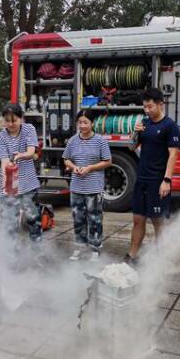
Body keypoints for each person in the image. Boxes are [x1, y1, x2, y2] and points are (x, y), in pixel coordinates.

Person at [126, 88, 180, 265]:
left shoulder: (170, 126)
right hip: (142, 179)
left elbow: (173, 154)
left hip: (158, 181)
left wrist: (167, 180)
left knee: (158, 222)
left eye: (150, 106)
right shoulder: (144, 123)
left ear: (160, 104)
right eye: (144, 107)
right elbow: (132, 147)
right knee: (137, 219)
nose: (147, 110)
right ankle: (132, 256)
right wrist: (135, 133)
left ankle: (160, 259)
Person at [63, 110, 112, 261]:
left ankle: (95, 248)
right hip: (76, 187)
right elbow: (66, 159)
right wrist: (73, 167)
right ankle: (80, 246)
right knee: (78, 218)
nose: (82, 125)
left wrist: (90, 168)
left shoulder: (100, 141)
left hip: (94, 187)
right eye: (80, 122)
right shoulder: (72, 141)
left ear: (92, 123)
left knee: (95, 219)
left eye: (86, 122)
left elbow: (108, 161)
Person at [0, 103, 43, 254]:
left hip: (28, 182)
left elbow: (31, 151)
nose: (10, 124)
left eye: (14, 120)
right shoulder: (0, 137)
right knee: (9, 220)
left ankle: (37, 249)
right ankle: (11, 252)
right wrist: (7, 185)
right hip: (9, 183)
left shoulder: (29, 129)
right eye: (7, 121)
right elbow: (4, 162)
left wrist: (21, 155)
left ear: (21, 118)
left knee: (33, 217)